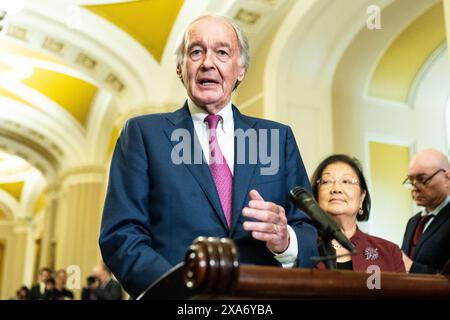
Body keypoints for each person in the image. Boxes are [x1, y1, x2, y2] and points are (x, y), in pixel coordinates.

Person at [99, 14, 317, 299]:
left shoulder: (277, 138)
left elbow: (309, 231)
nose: (207, 63)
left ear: (241, 70)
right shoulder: (142, 134)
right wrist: (180, 293)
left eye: (222, 52)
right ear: (180, 68)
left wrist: (286, 240)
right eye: (196, 51)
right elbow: (121, 235)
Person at [311, 154, 405, 272]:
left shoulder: (390, 252)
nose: (336, 189)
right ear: (315, 196)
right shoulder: (299, 247)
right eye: (327, 181)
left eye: (346, 181)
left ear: (361, 198)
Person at [401, 148, 450, 274]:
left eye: (423, 179)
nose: (415, 188)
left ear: (447, 178)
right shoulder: (413, 221)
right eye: (411, 181)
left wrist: (411, 267)